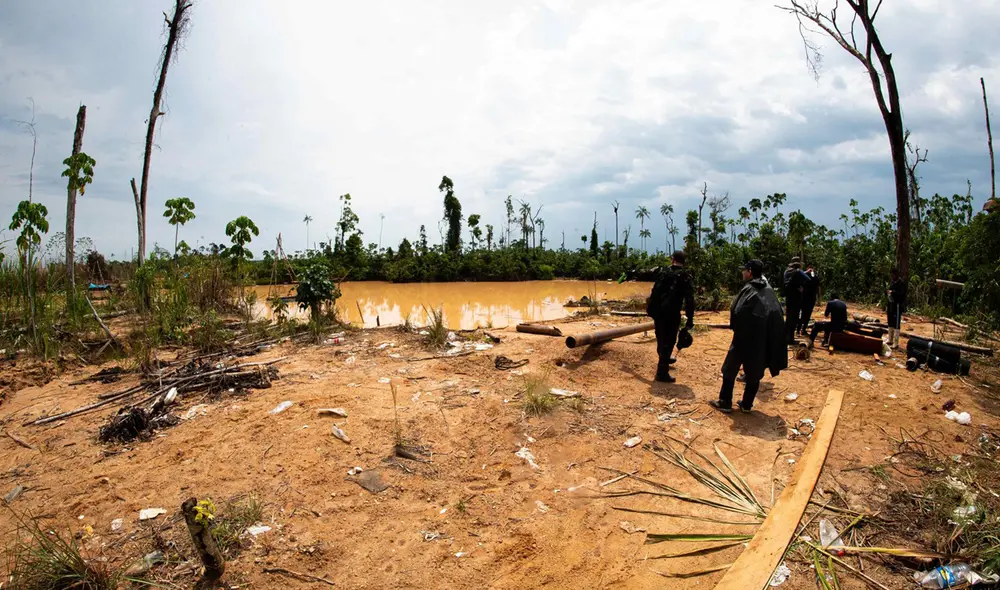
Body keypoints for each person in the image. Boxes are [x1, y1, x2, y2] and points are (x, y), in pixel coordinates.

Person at [711, 260, 787, 414]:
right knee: (754, 372)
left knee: (729, 369)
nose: (742, 273)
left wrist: (738, 329)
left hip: (743, 338)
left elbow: (736, 310)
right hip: (761, 339)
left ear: (750, 272)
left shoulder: (749, 289)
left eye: (744, 270)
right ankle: (746, 404)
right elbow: (777, 313)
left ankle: (725, 401)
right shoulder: (769, 290)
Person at [642, 250, 695, 383]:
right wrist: (690, 319)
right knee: (669, 340)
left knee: (660, 337)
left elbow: (650, 284)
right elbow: (690, 300)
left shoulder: (663, 272)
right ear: (684, 262)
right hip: (672, 313)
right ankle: (662, 372)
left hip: (658, 313)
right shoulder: (685, 276)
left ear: (672, 259)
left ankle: (663, 358)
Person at [782, 257, 810, 344]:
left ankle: (785, 338)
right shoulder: (798, 271)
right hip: (796, 298)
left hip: (788, 297)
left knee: (789, 318)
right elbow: (808, 279)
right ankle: (790, 339)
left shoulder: (787, 271)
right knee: (794, 318)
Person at [886, 267, 907, 349]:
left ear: (896, 275)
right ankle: (890, 339)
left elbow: (902, 294)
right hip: (891, 305)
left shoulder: (901, 284)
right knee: (890, 322)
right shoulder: (892, 283)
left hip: (897, 306)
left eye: (893, 275)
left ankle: (896, 342)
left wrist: (893, 292)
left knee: (896, 324)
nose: (892, 276)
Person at [798, 266, 820, 336]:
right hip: (809, 298)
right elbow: (818, 289)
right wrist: (819, 298)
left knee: (803, 314)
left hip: (805, 298)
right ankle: (802, 329)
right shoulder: (815, 277)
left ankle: (799, 329)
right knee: (807, 314)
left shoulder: (804, 277)